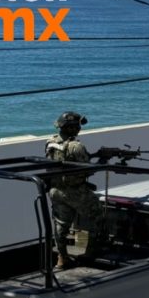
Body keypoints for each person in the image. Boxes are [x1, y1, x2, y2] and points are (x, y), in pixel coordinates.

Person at [45, 111, 106, 268]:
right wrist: (103, 160)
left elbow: (65, 161)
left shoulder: (50, 142)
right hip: (74, 191)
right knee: (98, 214)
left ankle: (62, 257)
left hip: (55, 190)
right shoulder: (77, 146)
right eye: (77, 126)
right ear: (72, 128)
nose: (79, 129)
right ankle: (90, 252)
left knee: (61, 224)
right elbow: (89, 170)